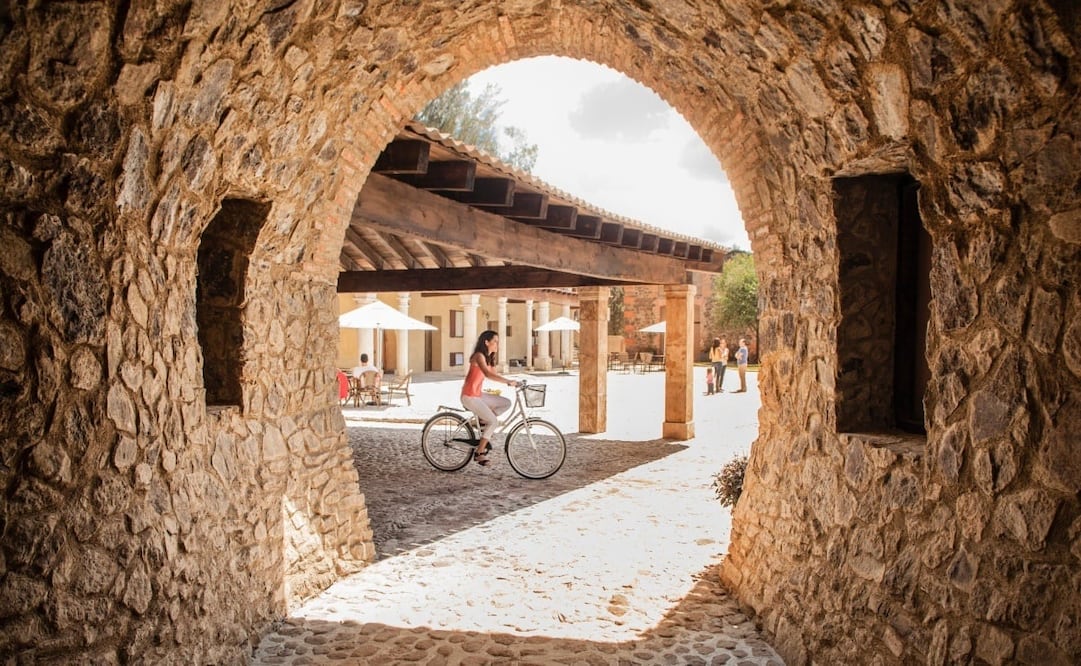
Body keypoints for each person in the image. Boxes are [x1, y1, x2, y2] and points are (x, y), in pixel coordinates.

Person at [461, 330, 520, 466]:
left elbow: (495, 374)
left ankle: (482, 421)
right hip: (469, 396)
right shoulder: (478, 356)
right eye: (495, 342)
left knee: (506, 403)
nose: (497, 345)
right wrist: (508, 382)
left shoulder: (488, 357)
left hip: (478, 395)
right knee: (493, 422)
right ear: (486, 342)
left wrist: (513, 381)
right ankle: (479, 453)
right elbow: (488, 374)